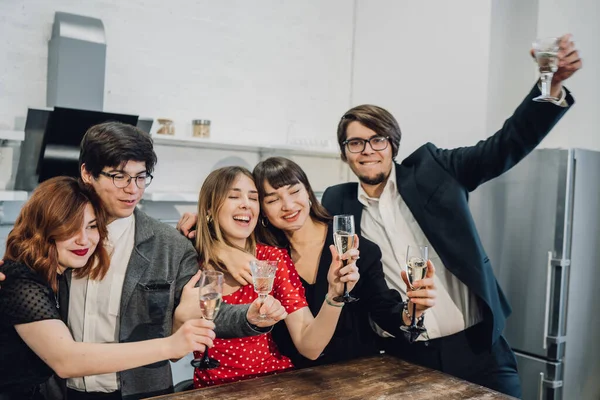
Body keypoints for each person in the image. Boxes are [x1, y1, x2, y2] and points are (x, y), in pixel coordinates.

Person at [319, 35, 582, 397]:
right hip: (401, 358)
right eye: (355, 143)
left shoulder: (434, 169)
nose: (367, 150)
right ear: (345, 153)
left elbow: (504, 145)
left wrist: (549, 86)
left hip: (477, 352)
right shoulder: (338, 202)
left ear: (393, 144)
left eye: (377, 139)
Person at [35, 122, 285, 400]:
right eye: (119, 176)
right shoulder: (58, 235)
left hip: (144, 391)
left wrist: (249, 316)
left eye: (141, 177)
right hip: (61, 392)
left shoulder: (170, 245)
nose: (132, 189)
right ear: (87, 173)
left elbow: (207, 305)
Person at [176, 157, 438, 367]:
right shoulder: (269, 251)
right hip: (293, 376)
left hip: (352, 370)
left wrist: (411, 311)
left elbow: (383, 308)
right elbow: (219, 229)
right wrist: (212, 241)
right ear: (264, 211)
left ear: (309, 193)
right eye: (272, 199)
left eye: (294, 191)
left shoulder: (352, 249)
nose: (288, 205)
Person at [0, 176, 216, 400]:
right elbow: (67, 360)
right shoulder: (21, 279)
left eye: (91, 226)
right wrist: (171, 346)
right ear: (44, 228)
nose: (84, 240)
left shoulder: (51, 274)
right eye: (70, 228)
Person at [177, 166, 359, 387]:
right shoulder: (189, 259)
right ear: (209, 209)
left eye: (253, 198)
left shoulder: (272, 259)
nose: (246, 204)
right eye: (234, 196)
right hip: (210, 389)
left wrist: (335, 296)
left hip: (272, 384)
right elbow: (174, 352)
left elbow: (310, 347)